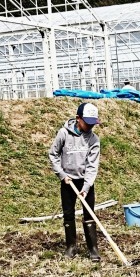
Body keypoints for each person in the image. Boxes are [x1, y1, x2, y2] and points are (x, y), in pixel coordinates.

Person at [48, 102, 101, 261]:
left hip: (85, 182)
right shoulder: (63, 134)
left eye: (93, 123)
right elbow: (53, 154)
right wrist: (62, 175)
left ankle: (93, 249)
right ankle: (71, 246)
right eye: (87, 123)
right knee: (68, 214)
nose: (90, 126)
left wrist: (86, 186)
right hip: (67, 181)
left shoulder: (94, 139)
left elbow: (93, 165)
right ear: (78, 118)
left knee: (89, 214)